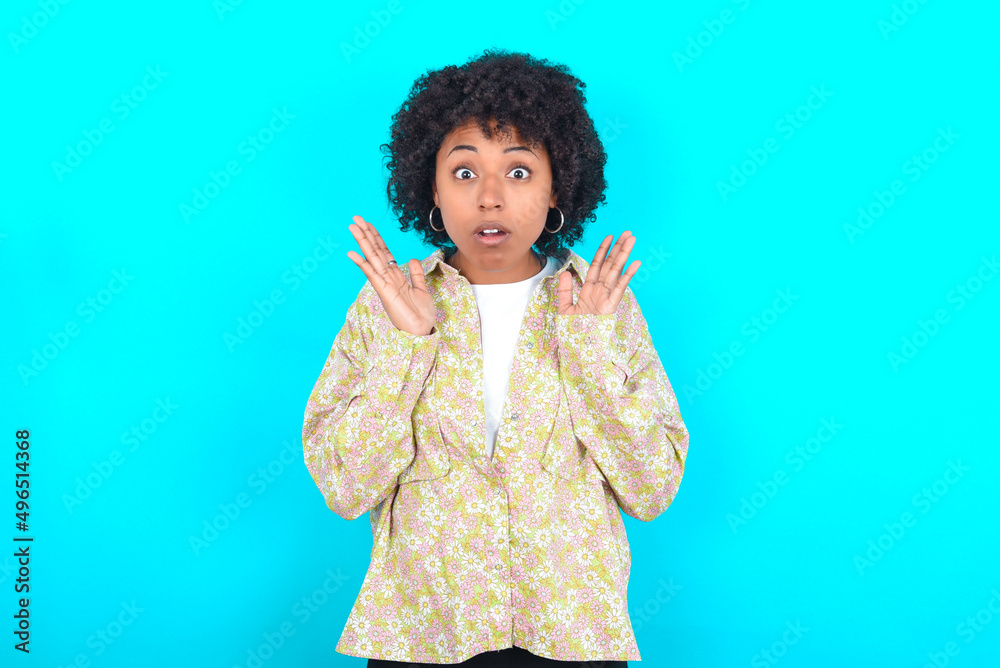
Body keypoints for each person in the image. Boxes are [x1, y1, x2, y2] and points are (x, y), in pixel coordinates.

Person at [302, 48, 689, 667]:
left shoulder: (601, 303)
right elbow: (345, 487)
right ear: (429, 185)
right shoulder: (388, 303)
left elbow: (653, 488)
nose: (489, 198)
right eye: (463, 173)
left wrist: (589, 349)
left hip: (570, 634)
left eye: (517, 172)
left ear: (557, 182)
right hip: (423, 631)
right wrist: (407, 348)